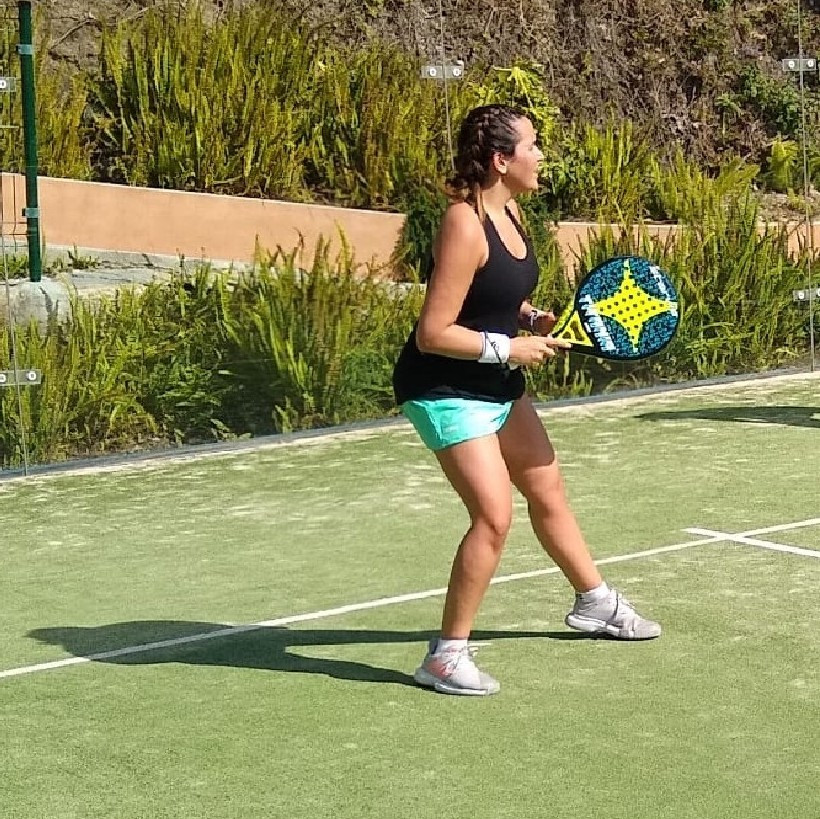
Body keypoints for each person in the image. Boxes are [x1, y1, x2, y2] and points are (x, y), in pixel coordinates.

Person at [392, 103, 661, 697]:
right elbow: (433, 332)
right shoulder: (463, 222)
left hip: (494, 380)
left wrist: (529, 316)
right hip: (444, 387)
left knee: (547, 488)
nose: (541, 156)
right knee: (494, 517)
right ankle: (446, 657)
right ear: (500, 159)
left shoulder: (511, 210)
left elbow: (490, 293)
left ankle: (595, 602)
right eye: (532, 146)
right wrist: (509, 348)